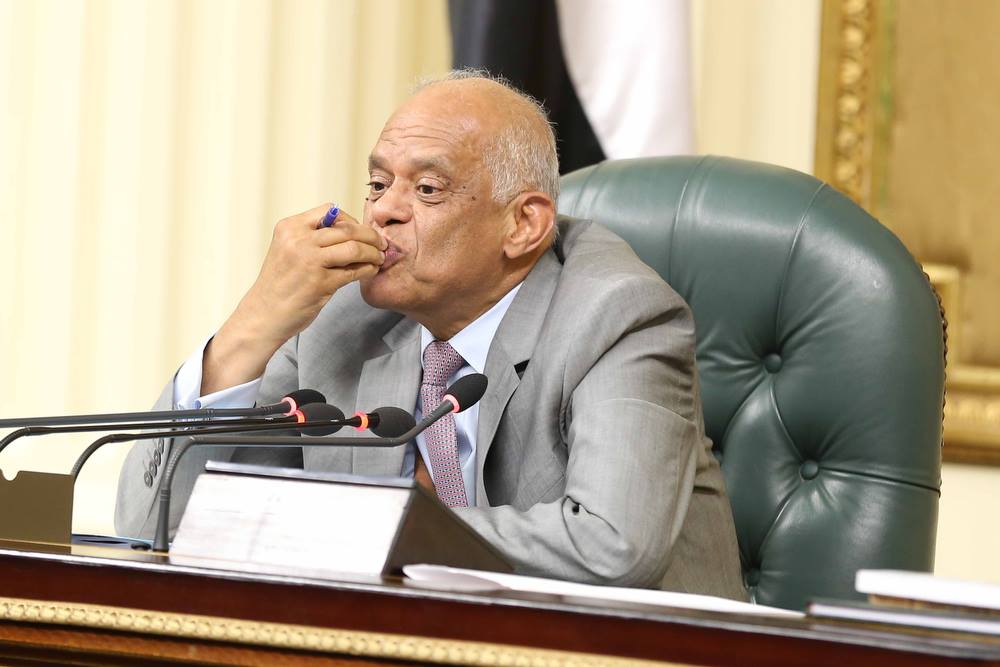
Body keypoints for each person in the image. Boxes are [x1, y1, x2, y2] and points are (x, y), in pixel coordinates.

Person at [116, 70, 745, 599]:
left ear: (524, 224)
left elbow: (612, 547)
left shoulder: (618, 316)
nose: (384, 211)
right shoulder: (341, 321)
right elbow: (155, 524)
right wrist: (254, 324)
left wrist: (374, 531)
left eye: (426, 189)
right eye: (377, 184)